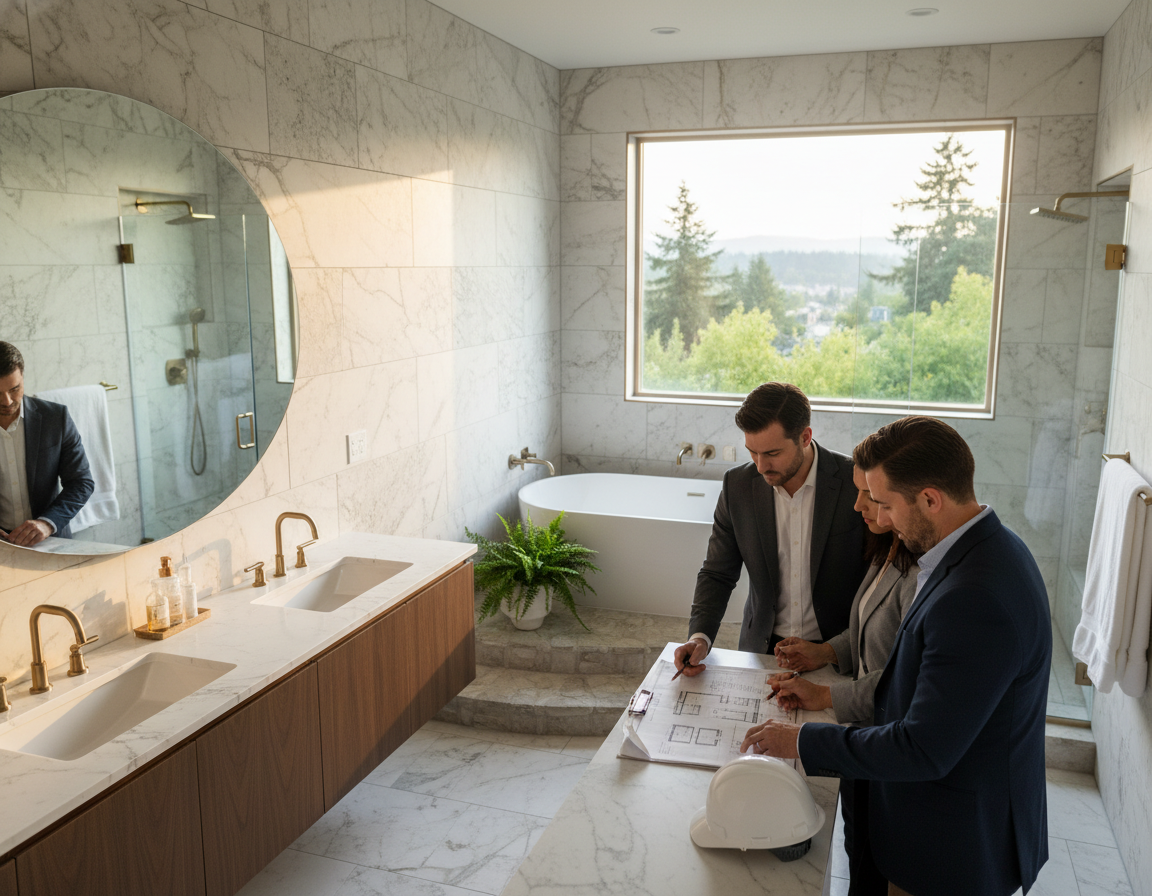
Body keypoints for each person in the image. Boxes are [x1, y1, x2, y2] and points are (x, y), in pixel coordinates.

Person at [740, 416, 1051, 896]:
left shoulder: (975, 598)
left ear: (930, 499)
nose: (880, 519)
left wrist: (802, 741)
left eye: (885, 504)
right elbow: (915, 673)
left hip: (950, 846)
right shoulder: (985, 549)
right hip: (933, 820)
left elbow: (924, 748)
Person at [769, 459, 919, 896]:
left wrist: (824, 696)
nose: (857, 506)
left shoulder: (920, 572)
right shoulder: (889, 547)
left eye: (870, 496)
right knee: (858, 853)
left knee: (873, 864)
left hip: (884, 742)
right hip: (862, 737)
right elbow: (871, 624)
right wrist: (824, 651)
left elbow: (899, 677)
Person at [674, 382, 866, 675]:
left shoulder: (855, 482)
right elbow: (717, 573)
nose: (761, 466)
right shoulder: (737, 486)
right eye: (752, 452)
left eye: (773, 453)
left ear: (805, 437)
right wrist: (699, 637)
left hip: (838, 654)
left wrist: (834, 651)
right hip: (762, 651)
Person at [0, 342, 94, 546]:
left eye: (14, 389)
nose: (7, 401)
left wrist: (47, 523)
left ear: (23, 377)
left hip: (51, 539)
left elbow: (81, 482)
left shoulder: (56, 418)